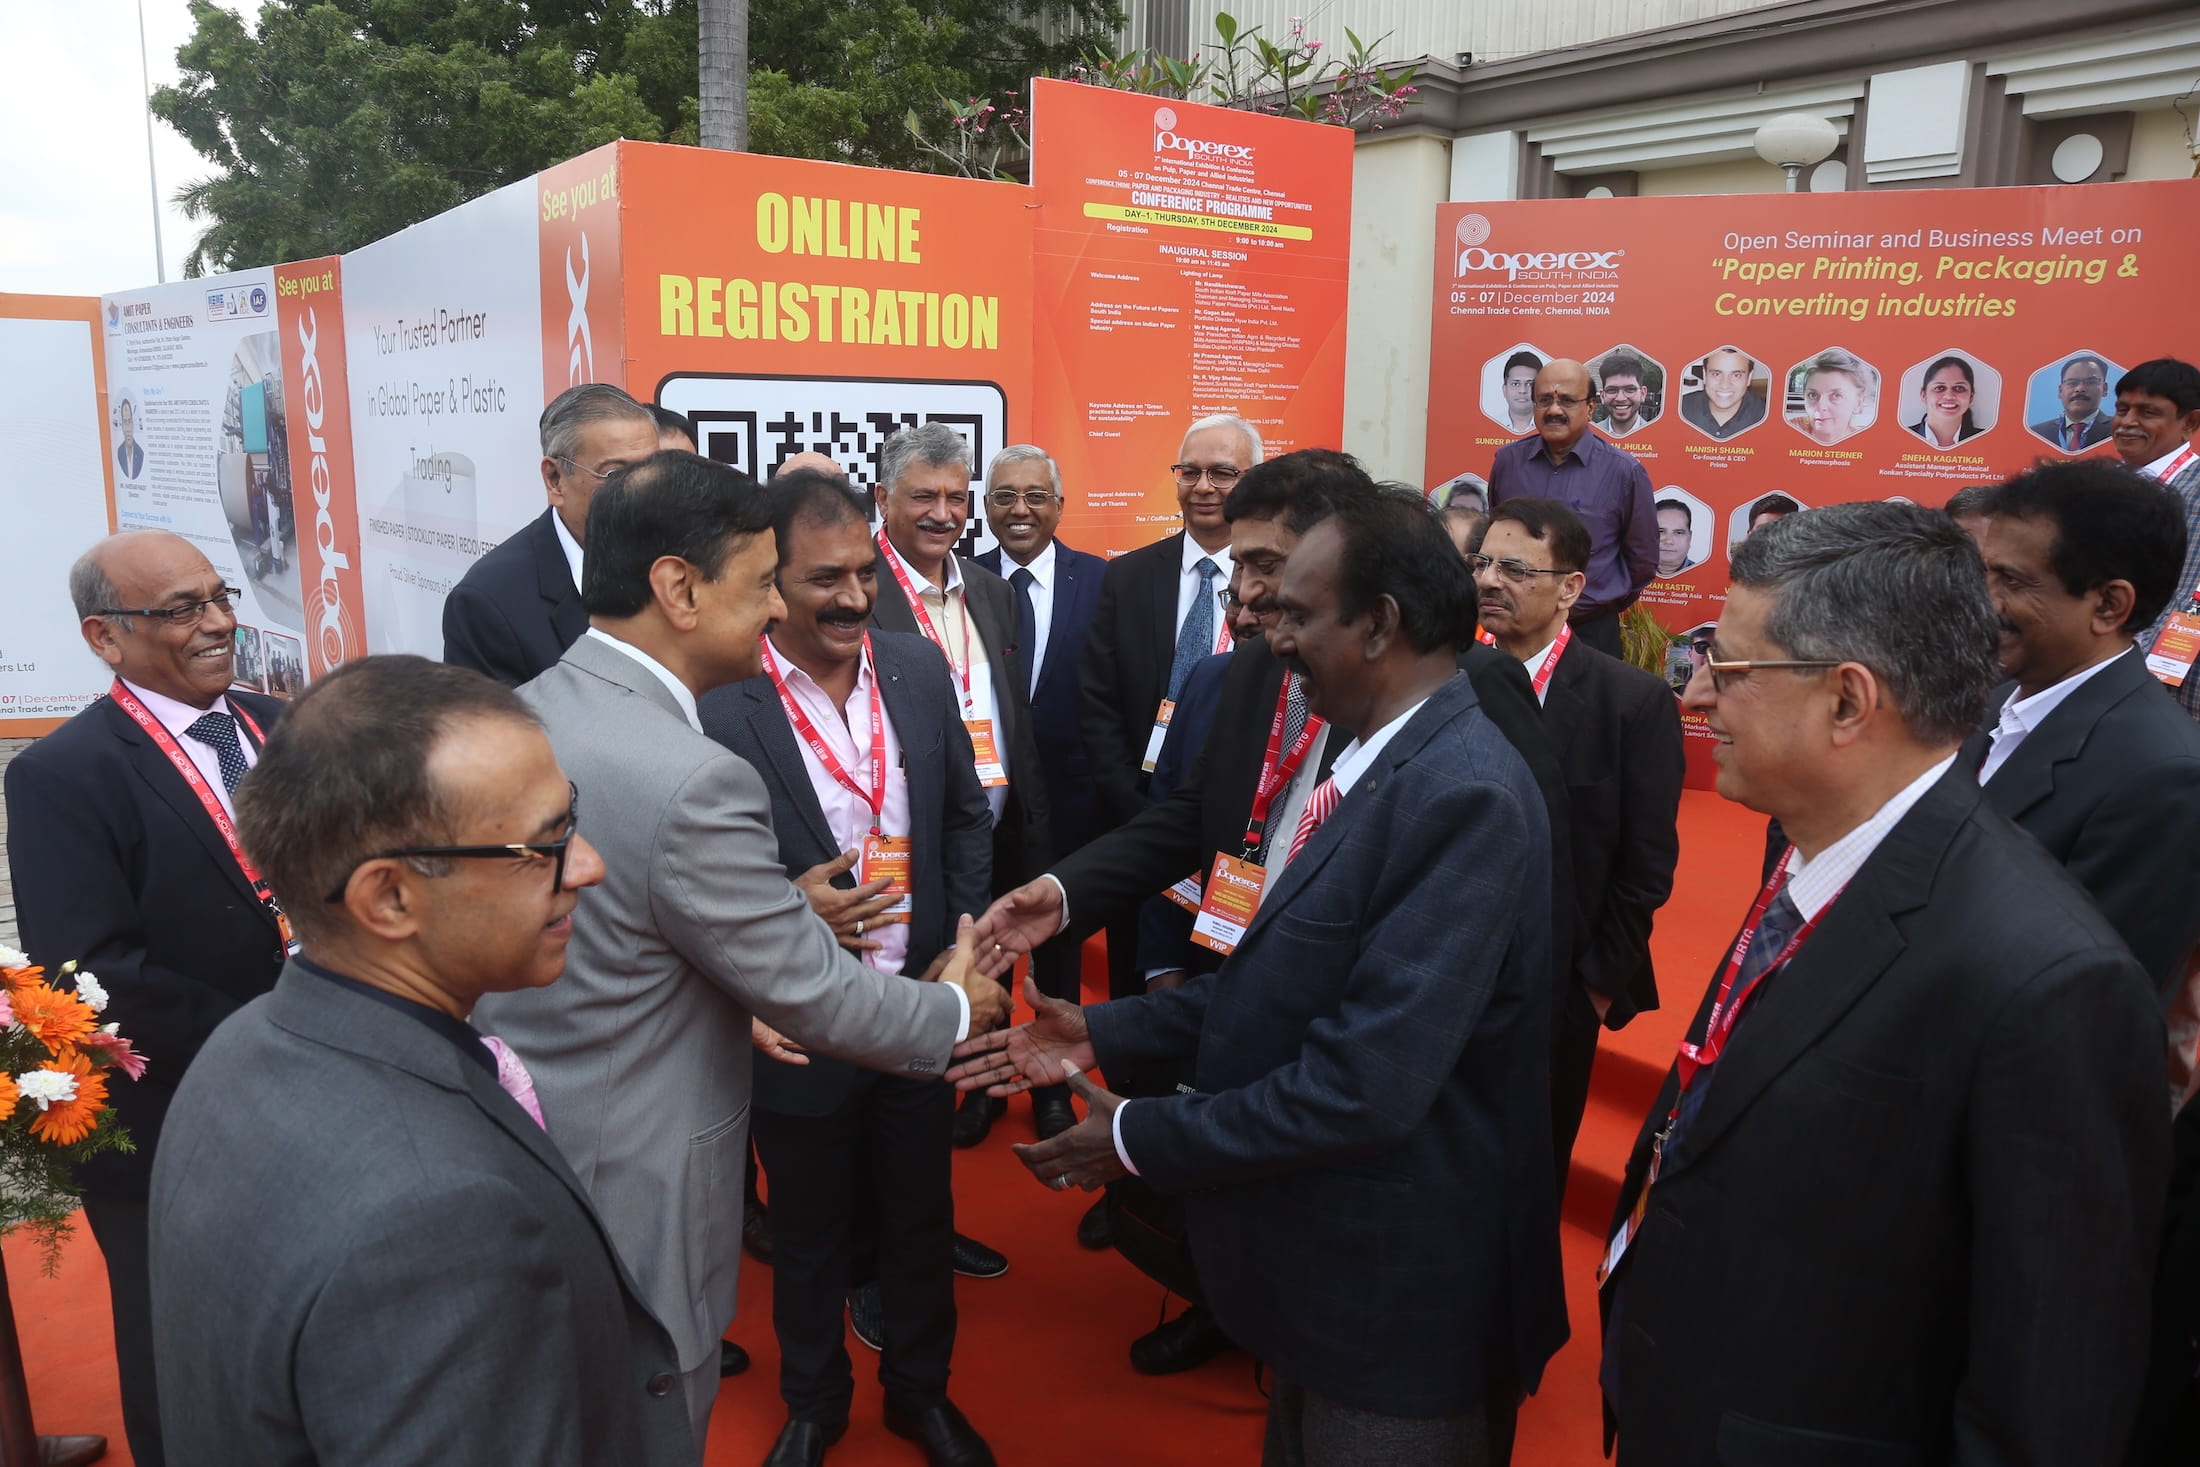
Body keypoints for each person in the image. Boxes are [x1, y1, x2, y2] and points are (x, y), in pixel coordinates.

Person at [957, 491, 1569, 1465]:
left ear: (1379, 624)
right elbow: (1287, 973)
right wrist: (1103, 1033)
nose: (1266, 631)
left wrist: (1135, 1134)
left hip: (1394, 1296)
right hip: (1320, 1274)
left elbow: (1359, 1089)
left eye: (1296, 613)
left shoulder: (1461, 794)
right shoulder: (1381, 760)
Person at [1602, 502, 2168, 1465]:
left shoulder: (2046, 980)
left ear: (1848, 702)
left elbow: (2046, 1392)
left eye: (1728, 668)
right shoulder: (1815, 845)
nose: (1696, 695)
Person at [470, 452, 1008, 1460]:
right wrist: (954, 1008)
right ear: (678, 587)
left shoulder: (535, 707)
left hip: (559, 1132)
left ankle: (916, 1389)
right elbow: (797, 984)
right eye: (768, 584)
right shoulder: (695, 764)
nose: (777, 612)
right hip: (667, 1140)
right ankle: (817, 1401)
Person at [148, 655, 691, 1466]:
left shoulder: (247, 1041)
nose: (588, 866)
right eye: (542, 845)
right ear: (388, 897)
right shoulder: (438, 1220)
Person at [699, 475, 998, 1467]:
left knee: (920, 1220)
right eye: (823, 578)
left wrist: (961, 937)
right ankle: (815, 1403)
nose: (853, 598)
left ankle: (921, 1397)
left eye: (865, 573)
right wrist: (787, 911)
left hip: (915, 1003)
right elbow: (696, 875)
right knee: (809, 1235)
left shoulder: (913, 666)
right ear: (769, 585)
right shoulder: (719, 697)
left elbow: (959, 811)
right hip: (799, 1025)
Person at [3, 529, 288, 1467]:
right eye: (180, 609)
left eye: (219, 597)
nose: (216, 624)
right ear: (103, 636)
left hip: (320, 1096)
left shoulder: (282, 724)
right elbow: (94, 973)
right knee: (182, 1353)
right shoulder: (61, 776)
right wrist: (286, 1031)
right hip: (176, 1118)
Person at [1473, 499, 1683, 1195]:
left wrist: (1591, 990)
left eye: (1514, 568)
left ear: (1571, 587)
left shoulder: (1631, 701)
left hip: (1558, 986)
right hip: (1451, 959)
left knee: (1530, 1173)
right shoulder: (1451, 680)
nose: (1490, 582)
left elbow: (1646, 866)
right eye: (1482, 564)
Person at [867, 423, 1053, 1150]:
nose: (943, 512)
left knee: (994, 963)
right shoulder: (864, 590)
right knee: (923, 982)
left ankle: (980, 1083)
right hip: (912, 842)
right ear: (883, 499)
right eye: (923, 496)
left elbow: (1013, 711)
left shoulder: (989, 588)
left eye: (955, 495)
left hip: (999, 824)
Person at [1965, 459, 2200, 1007]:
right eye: (1983, 573)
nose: (1982, 601)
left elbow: (2085, 1002)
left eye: (2013, 582)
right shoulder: (1993, 699)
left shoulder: (2163, 778)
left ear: (2109, 605)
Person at [1078, 415, 1248, 1019]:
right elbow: (1095, 698)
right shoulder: (1127, 575)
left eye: (1223, 472)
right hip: (1138, 814)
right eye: (1190, 471)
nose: (1204, 486)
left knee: (1222, 985)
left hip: (1239, 824)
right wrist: (1132, 804)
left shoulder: (1273, 584)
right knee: (1136, 985)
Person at [972, 443, 1104, 1139]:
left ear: (1059, 504)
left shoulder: (1101, 581)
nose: (1018, 510)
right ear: (985, 506)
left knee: (1056, 951)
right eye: (1003, 497)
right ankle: (985, 1082)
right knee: (989, 944)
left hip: (1071, 805)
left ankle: (1054, 1089)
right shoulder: (958, 581)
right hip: (985, 807)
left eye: (1034, 496)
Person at [442, 382, 659, 687]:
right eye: (615, 474)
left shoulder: (690, 558)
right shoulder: (489, 602)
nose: (643, 490)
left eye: (653, 469)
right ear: (555, 479)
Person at [1488, 359, 1657, 658]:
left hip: (1590, 634)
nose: (1554, 410)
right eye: (1544, 400)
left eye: (1567, 400)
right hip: (1515, 630)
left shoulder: (1624, 473)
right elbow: (1496, 538)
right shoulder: (1508, 463)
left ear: (1591, 407)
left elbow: (1641, 562)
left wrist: (1593, 601)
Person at [2118, 359, 2200, 724]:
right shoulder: (2104, 486)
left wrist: (2120, 675)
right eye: (2122, 409)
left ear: (2190, 423)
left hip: (2169, 691)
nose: (2127, 422)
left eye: (2147, 412)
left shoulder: (2195, 490)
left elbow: (2188, 600)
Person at [1789, 348, 1879, 446]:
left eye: (1836, 395)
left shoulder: (1869, 444)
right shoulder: (1792, 430)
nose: (1821, 406)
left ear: (1858, 403)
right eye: (1813, 395)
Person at [2031, 353, 2115, 451]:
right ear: (2060, 391)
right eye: (2072, 383)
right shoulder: (2036, 433)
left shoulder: (2121, 430)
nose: (2080, 389)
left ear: (2104, 389)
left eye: (2091, 382)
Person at [1679, 346, 1765, 440]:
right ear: (1704, 374)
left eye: (1736, 375)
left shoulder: (1766, 417)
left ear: (1749, 378)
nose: (1725, 385)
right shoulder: (1680, 409)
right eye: (1716, 374)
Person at [1908, 354, 1986, 449]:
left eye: (1959, 388)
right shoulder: (1901, 437)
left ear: (1971, 396)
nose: (1949, 396)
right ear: (1923, 395)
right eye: (1939, 388)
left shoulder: (1989, 441)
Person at [1597, 354, 1654, 437]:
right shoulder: (1588, 436)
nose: (1620, 398)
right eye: (1612, 390)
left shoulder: (1657, 436)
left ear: (1643, 393)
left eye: (1630, 389)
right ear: (1602, 396)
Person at [1499, 350, 1542, 434]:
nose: (1522, 391)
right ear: (1504, 389)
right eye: (1515, 384)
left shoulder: (1550, 426)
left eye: (1530, 384)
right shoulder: (1491, 423)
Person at [1653, 499, 1696, 578]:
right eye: (1660, 531)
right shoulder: (1626, 574)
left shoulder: (1706, 575)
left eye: (1679, 532)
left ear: (1690, 538)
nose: (1669, 541)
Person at [115, 396, 145, 480]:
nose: (128, 429)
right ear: (121, 426)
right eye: (125, 422)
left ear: (133, 423)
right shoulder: (118, 452)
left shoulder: (140, 453)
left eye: (129, 421)